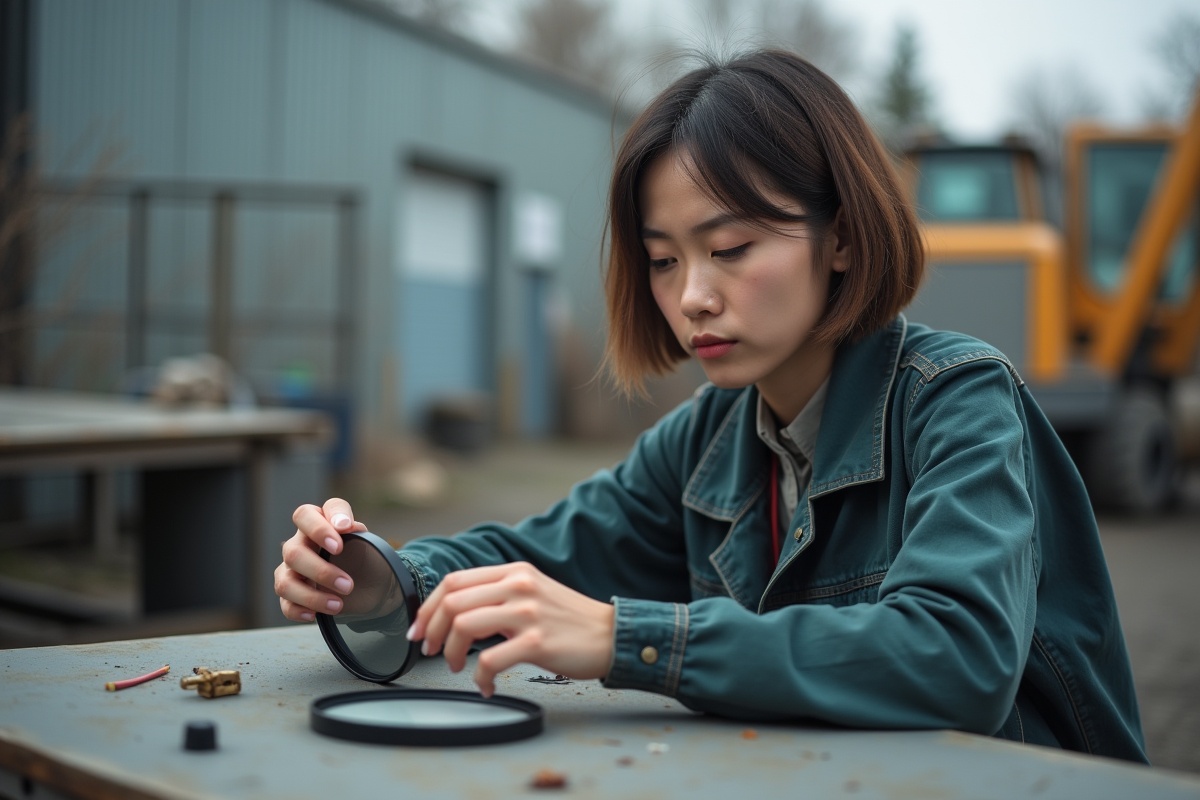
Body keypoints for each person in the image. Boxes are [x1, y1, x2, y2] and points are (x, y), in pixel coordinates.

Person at [275, 50, 1146, 763]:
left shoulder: (956, 401)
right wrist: (375, 576)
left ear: (840, 235)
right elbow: (528, 556)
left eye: (730, 247)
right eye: (662, 260)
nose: (693, 296)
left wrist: (629, 638)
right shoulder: (705, 439)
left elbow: (956, 657)